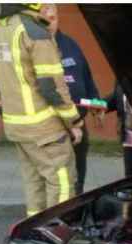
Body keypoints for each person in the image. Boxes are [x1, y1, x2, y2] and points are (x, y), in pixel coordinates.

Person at [0, 3, 83, 217]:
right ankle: (55, 229)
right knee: (61, 182)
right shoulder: (35, 32)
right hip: (44, 129)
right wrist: (74, 122)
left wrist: (4, 97)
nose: (48, 10)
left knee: (34, 182)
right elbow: (52, 87)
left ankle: (33, 228)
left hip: (16, 126)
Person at [41, 4, 98, 196]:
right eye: (44, 19)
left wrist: (96, 103)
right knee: (59, 180)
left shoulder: (70, 44)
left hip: (78, 122)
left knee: (78, 177)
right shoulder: (35, 46)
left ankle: (77, 204)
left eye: (53, 18)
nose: (49, 23)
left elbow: (86, 77)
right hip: (52, 126)